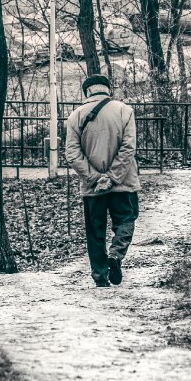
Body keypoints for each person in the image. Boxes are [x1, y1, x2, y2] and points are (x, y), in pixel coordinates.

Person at [65, 73, 140, 287]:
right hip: (124, 183)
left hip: (92, 188)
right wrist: (113, 176)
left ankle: (100, 275)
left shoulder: (76, 115)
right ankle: (115, 256)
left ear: (87, 91)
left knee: (95, 230)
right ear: (108, 89)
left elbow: (72, 153)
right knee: (126, 220)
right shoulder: (125, 111)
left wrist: (96, 178)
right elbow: (129, 148)